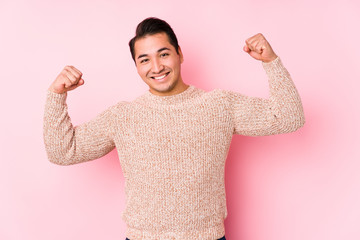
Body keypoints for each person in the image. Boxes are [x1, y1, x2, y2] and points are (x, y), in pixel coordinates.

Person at [43, 17, 305, 240]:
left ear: (179, 53)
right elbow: (63, 152)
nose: (156, 67)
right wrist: (56, 95)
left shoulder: (219, 105)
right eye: (144, 59)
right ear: (136, 66)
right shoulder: (124, 116)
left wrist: (271, 61)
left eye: (164, 54)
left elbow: (289, 117)